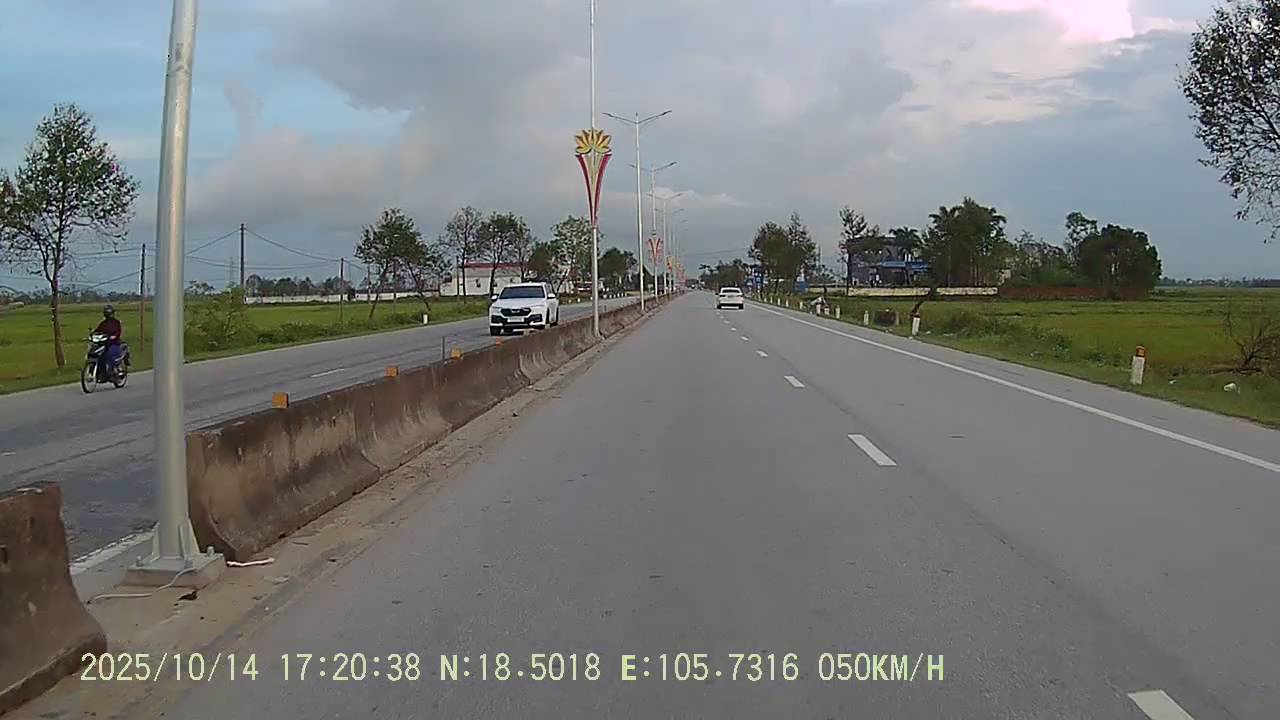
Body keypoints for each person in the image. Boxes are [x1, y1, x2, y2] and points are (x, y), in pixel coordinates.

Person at [93, 305, 124, 370]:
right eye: (107, 313)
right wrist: (92, 334)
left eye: (109, 313)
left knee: (111, 354)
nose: (108, 315)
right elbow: (98, 330)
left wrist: (114, 336)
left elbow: (118, 331)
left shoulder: (116, 322)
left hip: (113, 343)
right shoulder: (103, 323)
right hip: (103, 342)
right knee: (95, 351)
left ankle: (114, 368)